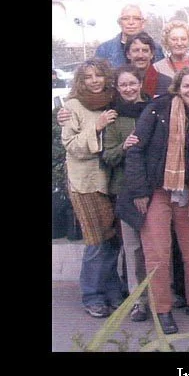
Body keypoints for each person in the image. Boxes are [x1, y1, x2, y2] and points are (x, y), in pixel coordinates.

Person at [123, 66, 189, 334]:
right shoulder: (158, 109)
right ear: (178, 88)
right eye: (187, 86)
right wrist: (139, 192)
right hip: (155, 190)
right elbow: (135, 150)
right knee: (158, 254)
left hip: (187, 192)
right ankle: (162, 309)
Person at [61, 58, 124, 318]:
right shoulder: (73, 106)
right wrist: (96, 128)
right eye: (88, 77)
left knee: (111, 239)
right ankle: (92, 295)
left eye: (99, 75)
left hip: (111, 181)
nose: (94, 81)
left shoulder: (113, 101)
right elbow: (71, 145)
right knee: (96, 240)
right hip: (85, 183)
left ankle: (112, 291)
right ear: (81, 81)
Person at [102, 65, 152, 321]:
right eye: (123, 85)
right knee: (132, 248)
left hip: (153, 187)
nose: (129, 88)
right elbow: (108, 156)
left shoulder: (153, 109)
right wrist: (124, 146)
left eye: (132, 83)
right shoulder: (114, 117)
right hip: (126, 189)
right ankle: (138, 301)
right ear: (117, 88)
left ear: (140, 84)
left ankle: (162, 295)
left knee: (156, 246)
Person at [95, 4, 164, 67]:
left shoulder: (156, 49)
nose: (131, 22)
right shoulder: (104, 50)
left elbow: (159, 74)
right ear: (119, 23)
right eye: (125, 18)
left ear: (143, 23)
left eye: (136, 18)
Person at [125, 31, 173, 99]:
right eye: (136, 50)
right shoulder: (121, 83)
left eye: (145, 51)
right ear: (128, 54)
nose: (140, 55)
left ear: (152, 54)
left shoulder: (166, 83)